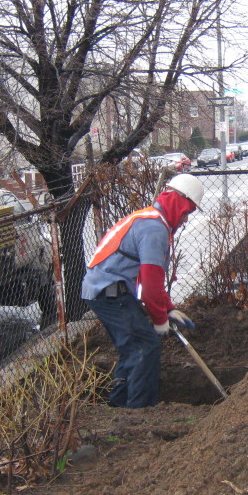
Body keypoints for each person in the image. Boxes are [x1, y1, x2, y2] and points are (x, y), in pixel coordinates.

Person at [81, 174, 203, 408]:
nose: (186, 219)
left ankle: (118, 405)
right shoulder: (154, 229)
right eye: (187, 212)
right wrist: (159, 319)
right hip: (109, 293)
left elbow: (151, 282)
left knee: (133, 347)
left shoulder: (151, 219)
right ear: (178, 202)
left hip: (105, 291)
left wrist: (169, 309)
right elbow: (149, 285)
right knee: (145, 346)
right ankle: (139, 411)